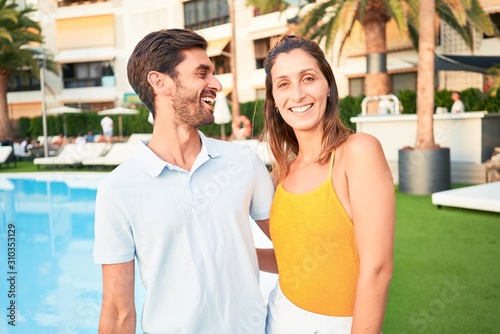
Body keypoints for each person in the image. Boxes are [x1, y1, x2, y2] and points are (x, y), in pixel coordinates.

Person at [93, 29, 274, 334]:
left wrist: (235, 253)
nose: (216, 84)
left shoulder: (243, 163)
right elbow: (118, 311)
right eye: (202, 73)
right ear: (159, 81)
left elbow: (291, 251)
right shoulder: (118, 189)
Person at [259, 35, 395, 334]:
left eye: (307, 78)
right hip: (279, 318)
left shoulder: (358, 151)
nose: (297, 94)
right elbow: (293, 261)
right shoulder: (280, 174)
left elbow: (378, 269)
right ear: (274, 102)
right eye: (283, 84)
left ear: (328, 87)